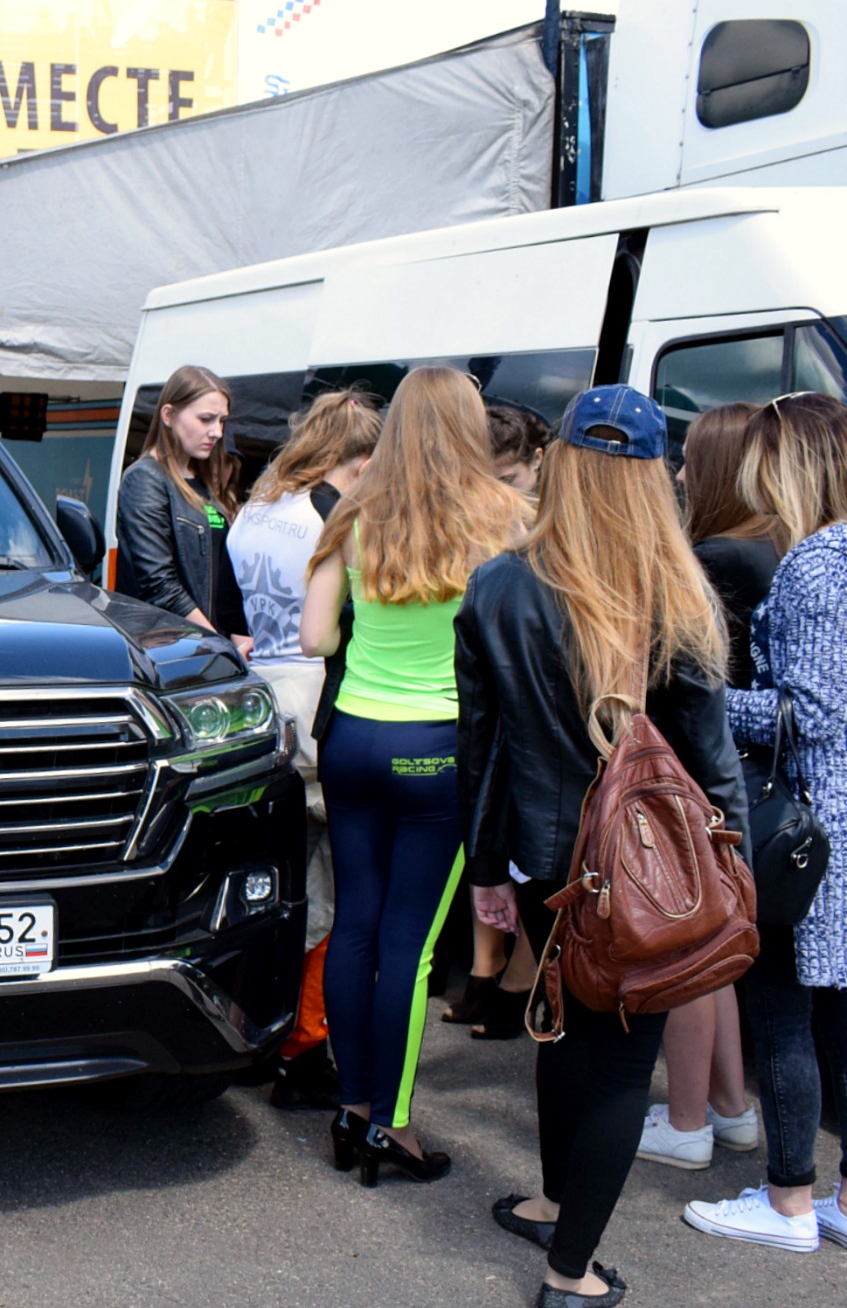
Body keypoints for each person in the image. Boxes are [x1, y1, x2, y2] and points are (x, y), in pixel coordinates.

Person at [460, 384, 747, 1307]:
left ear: (562, 468)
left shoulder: (500, 583)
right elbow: (709, 757)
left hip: (546, 855)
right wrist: (731, 860)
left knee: (562, 1018)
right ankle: (568, 1271)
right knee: (624, 1058)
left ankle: (553, 1205)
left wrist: (484, 873)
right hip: (648, 867)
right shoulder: (676, 590)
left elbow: (482, 749)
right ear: (655, 477)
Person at [300, 366, 529, 1186]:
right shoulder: (502, 519)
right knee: (412, 944)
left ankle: (349, 1106)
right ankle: (387, 1126)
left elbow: (315, 637)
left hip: (353, 735)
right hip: (438, 748)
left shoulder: (353, 514)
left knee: (356, 926)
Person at [683, 392, 847, 1254]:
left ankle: (789, 1201)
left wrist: (704, 693)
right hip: (835, 824)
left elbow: (807, 714)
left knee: (782, 1006)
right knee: (837, 1016)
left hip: (810, 832)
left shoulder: (818, 563)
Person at [228, 390, 382, 1107]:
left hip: (262, 697)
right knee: (329, 888)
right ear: (357, 458)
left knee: (274, 883)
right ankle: (306, 1041)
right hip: (321, 699)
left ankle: (261, 1028)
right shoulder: (331, 514)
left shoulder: (258, 508)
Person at [637, 403, 775, 1170]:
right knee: (713, 949)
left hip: (699, 778)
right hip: (732, 778)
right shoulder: (765, 549)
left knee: (690, 952)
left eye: (692, 460)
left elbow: (696, 691)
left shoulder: (719, 557)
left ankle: (688, 1118)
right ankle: (727, 1109)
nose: (683, 475)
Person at [445, 404, 556, 1038]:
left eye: (507, 477)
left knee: (513, 851)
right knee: (484, 843)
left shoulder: (540, 524)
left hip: (512, 694)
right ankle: (489, 969)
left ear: (537, 463)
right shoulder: (486, 516)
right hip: (472, 679)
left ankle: (512, 975)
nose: (496, 490)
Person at [116, 365, 252, 655]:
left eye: (222, 420)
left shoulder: (201, 480)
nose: (217, 432)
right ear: (168, 415)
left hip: (204, 645)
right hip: (170, 650)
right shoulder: (146, 478)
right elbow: (159, 584)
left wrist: (237, 637)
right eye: (206, 419)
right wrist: (219, 643)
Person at [489, 404, 552, 492]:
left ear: (536, 459)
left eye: (508, 481)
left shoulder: (561, 499)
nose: (497, 497)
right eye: (487, 484)